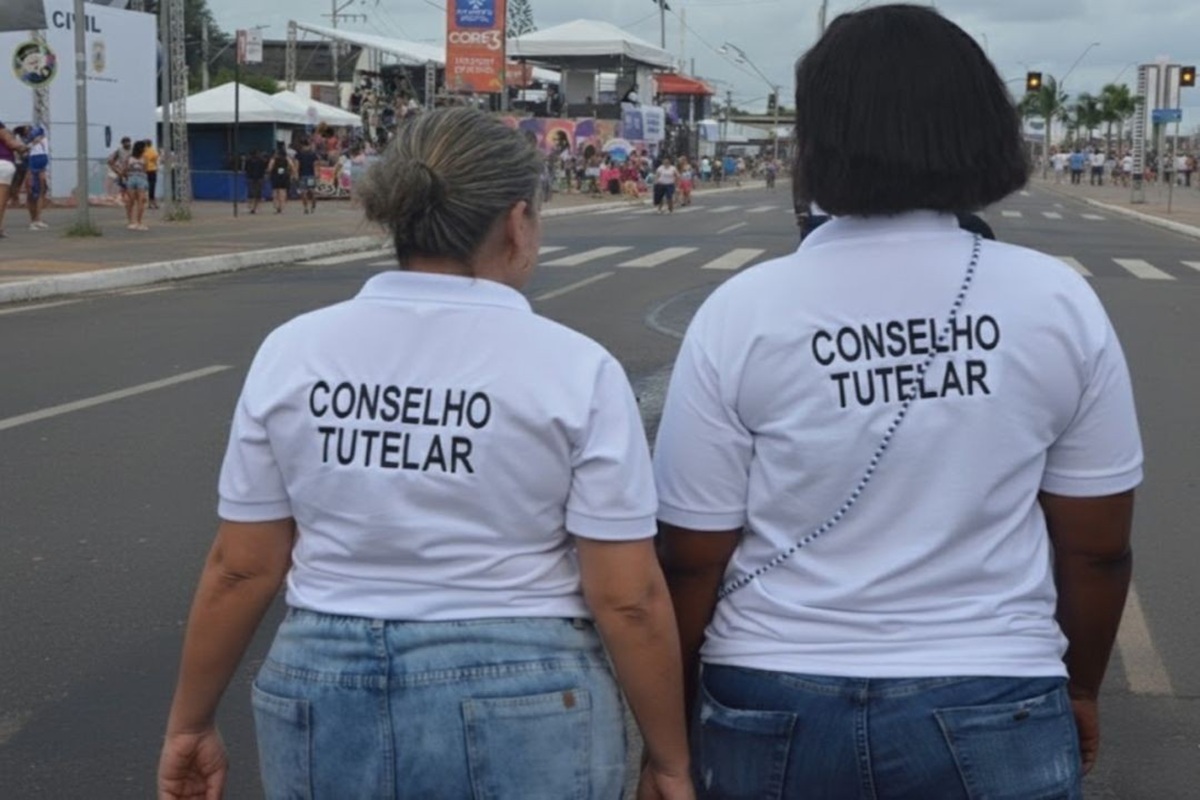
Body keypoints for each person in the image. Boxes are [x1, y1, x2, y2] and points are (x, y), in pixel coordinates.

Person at [653, 6, 1142, 799]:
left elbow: (690, 556)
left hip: (771, 691)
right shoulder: (1055, 301)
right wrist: (1080, 687)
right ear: (980, 128)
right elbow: (1096, 549)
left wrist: (669, 741)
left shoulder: (744, 310)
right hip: (995, 689)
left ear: (817, 141)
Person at [157, 107, 694, 800]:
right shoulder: (575, 367)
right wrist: (669, 759)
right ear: (518, 222)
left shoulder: (294, 350)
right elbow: (627, 597)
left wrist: (189, 723)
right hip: (523, 688)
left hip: (321, 683)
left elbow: (241, 568)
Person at [0, 120, 30, 238]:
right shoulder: (3, 131)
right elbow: (13, 144)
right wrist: (24, 147)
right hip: (3, 164)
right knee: (1, 200)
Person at [24, 126, 50, 230]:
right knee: (33, 192)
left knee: (41, 192)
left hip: (41, 167)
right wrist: (32, 141)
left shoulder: (43, 141)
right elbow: (25, 147)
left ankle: (38, 219)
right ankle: (33, 220)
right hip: (33, 167)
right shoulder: (30, 145)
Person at [122, 140, 151, 231]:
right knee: (136, 201)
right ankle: (136, 222)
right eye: (144, 147)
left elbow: (125, 169)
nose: (145, 149)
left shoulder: (132, 158)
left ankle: (134, 222)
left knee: (136, 201)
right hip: (138, 178)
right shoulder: (141, 157)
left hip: (134, 178)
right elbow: (145, 169)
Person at [108, 137, 133, 220]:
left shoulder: (133, 150)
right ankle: (126, 202)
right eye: (125, 143)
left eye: (128, 142)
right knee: (124, 188)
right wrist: (117, 171)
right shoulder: (119, 151)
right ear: (122, 144)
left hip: (133, 172)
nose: (127, 144)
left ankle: (131, 202)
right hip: (123, 173)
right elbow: (110, 161)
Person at [295, 140, 320, 214]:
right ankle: (313, 203)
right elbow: (316, 165)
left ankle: (306, 208)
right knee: (312, 190)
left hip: (302, 175)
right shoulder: (313, 154)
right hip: (311, 175)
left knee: (303, 192)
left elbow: (297, 165)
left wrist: (296, 175)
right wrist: (317, 174)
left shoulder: (298, 155)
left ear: (302, 146)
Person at [266, 144, 293, 214]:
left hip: (275, 176)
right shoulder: (287, 159)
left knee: (275, 191)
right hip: (284, 176)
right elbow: (291, 166)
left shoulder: (274, 159)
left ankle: (276, 205)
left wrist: (268, 173)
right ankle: (282, 206)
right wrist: (289, 172)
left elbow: (269, 168)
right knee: (283, 191)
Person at [243, 149, 267, 214]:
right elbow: (264, 169)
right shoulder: (261, 161)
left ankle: (250, 206)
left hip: (250, 178)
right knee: (258, 193)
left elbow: (245, 169)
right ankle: (256, 207)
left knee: (250, 193)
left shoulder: (248, 161)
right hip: (259, 178)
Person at [144, 139, 160, 210]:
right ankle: (152, 202)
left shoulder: (143, 151)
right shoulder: (153, 151)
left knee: (146, 187)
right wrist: (157, 167)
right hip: (152, 169)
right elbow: (156, 160)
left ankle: (150, 203)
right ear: (151, 144)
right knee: (152, 186)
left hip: (144, 170)